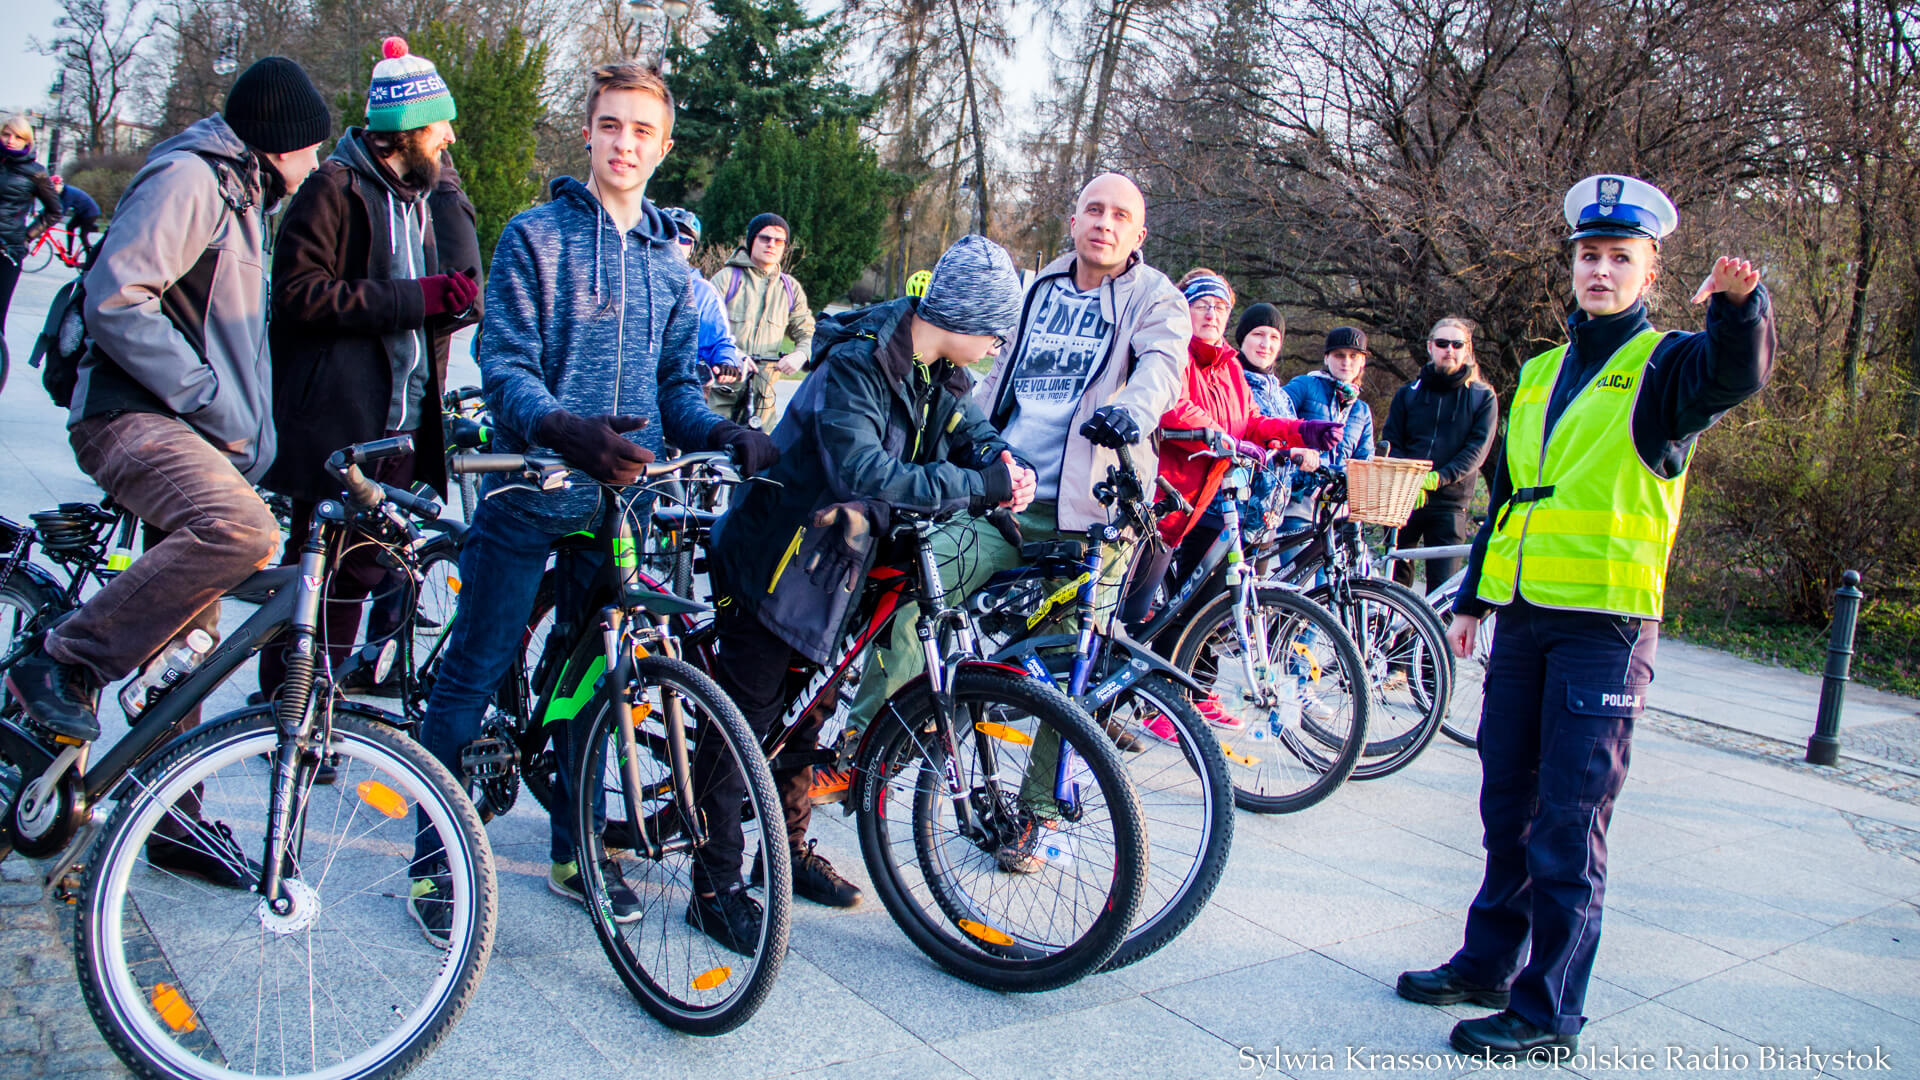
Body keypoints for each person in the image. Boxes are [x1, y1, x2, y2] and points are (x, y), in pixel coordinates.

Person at [1395, 175, 1773, 1060]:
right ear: (1571, 267)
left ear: (1650, 273)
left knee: (1570, 819)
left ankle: (1548, 1009)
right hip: (1525, 618)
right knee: (1505, 804)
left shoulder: (1668, 364)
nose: (1600, 272)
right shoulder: (1534, 372)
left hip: (1604, 628)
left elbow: (1735, 373)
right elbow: (1510, 494)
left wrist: (1741, 308)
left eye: (1620, 259)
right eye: (1589, 257)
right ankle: (1488, 963)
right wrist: (1474, 601)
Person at [405, 60, 778, 946]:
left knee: (594, 685)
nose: (625, 143)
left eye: (642, 131)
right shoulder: (535, 236)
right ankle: (434, 859)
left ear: (664, 146)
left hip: (624, 507)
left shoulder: (670, 264)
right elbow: (503, 370)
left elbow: (673, 390)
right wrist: (564, 429)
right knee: (471, 674)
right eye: (611, 125)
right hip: (532, 491)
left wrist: (720, 434)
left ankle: (578, 850)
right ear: (589, 131)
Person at [4, 59, 331, 887]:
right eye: (313, 147)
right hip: (131, 418)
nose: (318, 165)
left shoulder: (244, 198)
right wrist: (206, 393)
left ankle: (169, 815)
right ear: (280, 140)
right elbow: (120, 297)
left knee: (187, 648)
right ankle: (64, 658)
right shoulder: (193, 177)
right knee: (241, 532)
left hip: (194, 437)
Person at [845, 172, 1191, 871]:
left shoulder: (1157, 297)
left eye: (1120, 214)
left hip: (1093, 509)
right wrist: (961, 441)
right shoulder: (1036, 290)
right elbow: (990, 380)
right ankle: (866, 746)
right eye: (1093, 209)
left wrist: (1134, 412)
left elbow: (1164, 366)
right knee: (920, 589)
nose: (1104, 222)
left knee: (1069, 669)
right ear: (1073, 218)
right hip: (1006, 496)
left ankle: (1035, 813)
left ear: (1139, 233)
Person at [700, 235, 1031, 940]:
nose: (996, 348)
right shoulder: (860, 360)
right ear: (966, 319)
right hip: (775, 562)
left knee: (807, 712)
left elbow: (971, 432)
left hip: (834, 568)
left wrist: (1003, 460)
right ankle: (714, 879)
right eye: (995, 334)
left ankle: (782, 853)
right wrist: (977, 486)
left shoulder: (937, 370)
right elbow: (864, 471)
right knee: (743, 723)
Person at [259, 37, 479, 699]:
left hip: (403, 425)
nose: (450, 140)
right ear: (408, 130)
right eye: (441, 126)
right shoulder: (334, 186)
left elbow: (422, 303)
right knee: (314, 570)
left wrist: (449, 305)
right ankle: (285, 705)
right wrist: (418, 298)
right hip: (339, 427)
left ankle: (320, 699)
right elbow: (297, 296)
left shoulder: (418, 195)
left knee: (359, 571)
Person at [1120, 270, 1337, 630]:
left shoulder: (1229, 366)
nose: (1212, 314)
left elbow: (1251, 422)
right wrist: (1226, 439)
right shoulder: (1171, 351)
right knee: (1129, 613)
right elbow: (1173, 404)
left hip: (1202, 501)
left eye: (1220, 307)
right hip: (1161, 501)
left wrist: (1303, 431)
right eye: (1202, 305)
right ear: (1183, 309)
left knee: (1191, 612)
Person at [1379, 317, 1498, 593]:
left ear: (1467, 349)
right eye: (1442, 343)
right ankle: (1395, 638)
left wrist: (1436, 479)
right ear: (1430, 347)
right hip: (1404, 498)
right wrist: (1409, 480)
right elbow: (1392, 440)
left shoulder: (1482, 397)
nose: (1449, 350)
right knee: (1393, 588)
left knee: (1441, 592)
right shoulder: (1407, 394)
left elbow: (1476, 451)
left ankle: (1435, 638)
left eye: (1457, 344)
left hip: (1450, 503)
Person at [708, 212, 814, 427]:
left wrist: (800, 354)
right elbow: (703, 328)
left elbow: (808, 332)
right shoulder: (727, 278)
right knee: (709, 451)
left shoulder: (790, 288)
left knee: (762, 455)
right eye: (764, 238)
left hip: (764, 397)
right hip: (722, 392)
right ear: (751, 241)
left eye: (778, 241)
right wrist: (731, 356)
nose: (771, 245)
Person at [1278, 326, 1375, 547]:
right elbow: (1276, 423)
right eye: (1339, 355)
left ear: (1362, 362)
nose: (1346, 362)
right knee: (1294, 578)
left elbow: (1363, 461)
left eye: (1353, 356)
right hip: (1298, 499)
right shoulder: (1304, 386)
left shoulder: (1361, 411)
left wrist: (1344, 479)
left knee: (1329, 579)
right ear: (1326, 358)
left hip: (1337, 509)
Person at [661, 205, 750, 390]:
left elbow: (719, 340)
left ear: (691, 249)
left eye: (684, 240)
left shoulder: (702, 292)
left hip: (679, 388)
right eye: (670, 234)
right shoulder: (632, 281)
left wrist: (726, 362)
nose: (676, 243)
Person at [0, 114, 62, 372]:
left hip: (7, 252)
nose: (10, 140)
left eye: (18, 136)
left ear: (27, 140)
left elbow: (54, 211)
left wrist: (25, 236)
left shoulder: (36, 173)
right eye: (6, 134)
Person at [50, 176, 102, 260]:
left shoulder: (68, 193)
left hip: (90, 213)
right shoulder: (62, 193)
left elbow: (62, 210)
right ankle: (69, 253)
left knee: (83, 235)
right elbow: (53, 205)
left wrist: (52, 220)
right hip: (81, 212)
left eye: (54, 186)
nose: (53, 189)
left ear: (59, 184)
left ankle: (90, 258)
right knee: (70, 227)